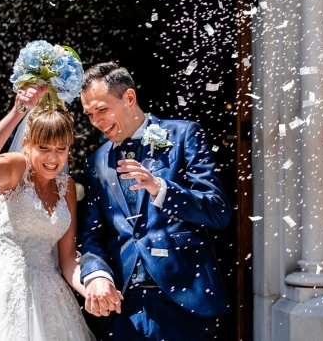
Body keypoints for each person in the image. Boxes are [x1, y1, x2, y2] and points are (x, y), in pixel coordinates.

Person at [0, 83, 110, 340]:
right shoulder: (15, 167)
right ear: (28, 144)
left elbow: (67, 261)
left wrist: (92, 292)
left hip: (51, 302)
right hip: (1, 295)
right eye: (44, 148)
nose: (53, 159)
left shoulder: (67, 187)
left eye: (61, 149)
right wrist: (16, 113)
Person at [79, 62, 232, 341]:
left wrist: (161, 188)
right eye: (89, 114)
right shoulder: (95, 162)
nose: (96, 121)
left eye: (101, 109)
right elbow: (92, 235)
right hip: (123, 307)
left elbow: (217, 211)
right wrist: (96, 273)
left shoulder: (184, 135)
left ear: (129, 98)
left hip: (185, 303)